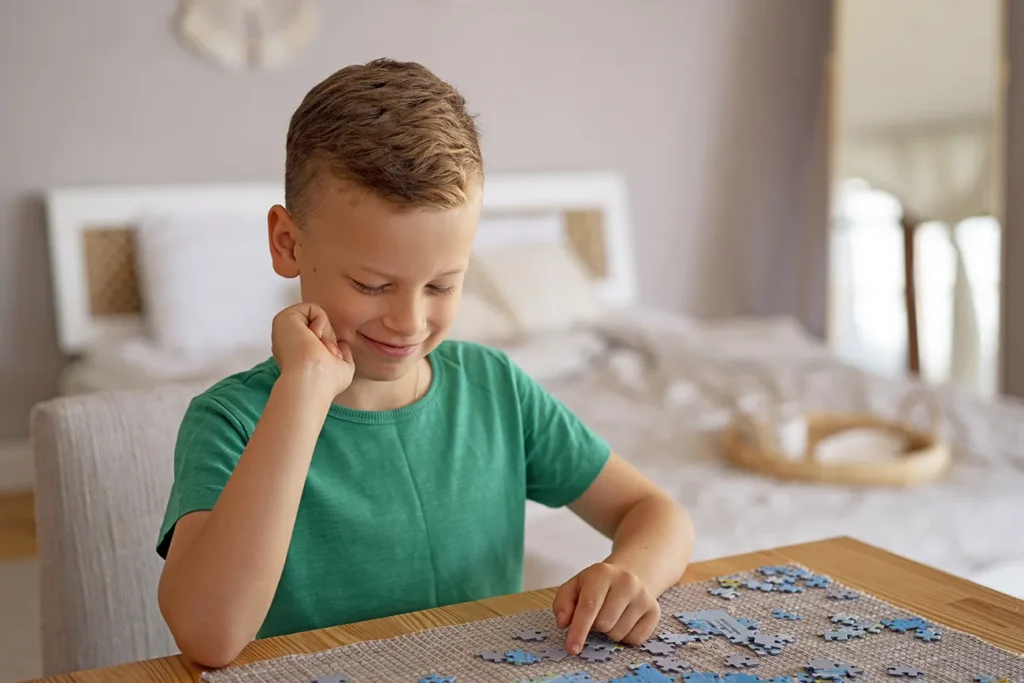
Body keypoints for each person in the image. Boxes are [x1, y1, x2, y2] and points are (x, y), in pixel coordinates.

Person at [155, 57, 695, 669]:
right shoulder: (231, 421)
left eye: (441, 286)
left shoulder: (497, 390)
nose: (410, 322)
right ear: (288, 244)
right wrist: (303, 393)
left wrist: (630, 571)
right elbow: (208, 636)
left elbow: (658, 514)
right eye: (372, 283)